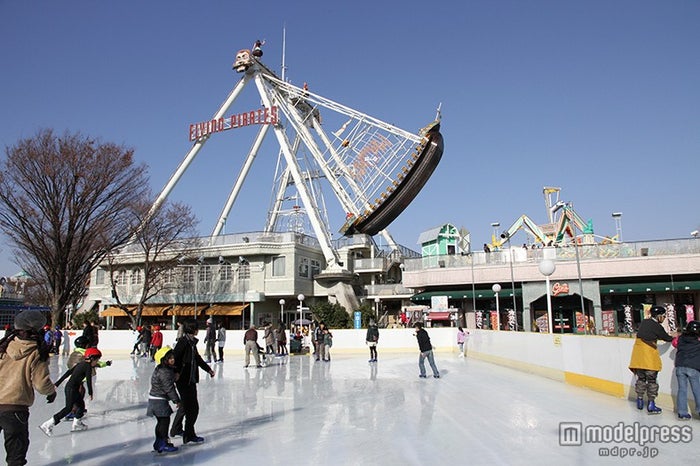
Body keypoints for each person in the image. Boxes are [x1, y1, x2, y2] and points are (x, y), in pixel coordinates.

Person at [0, 310, 57, 466]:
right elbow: (41, 383)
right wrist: (51, 392)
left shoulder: (3, 346)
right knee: (15, 455)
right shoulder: (37, 352)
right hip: (14, 408)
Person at [169, 320, 214, 444]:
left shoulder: (191, 342)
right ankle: (189, 435)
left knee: (185, 406)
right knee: (193, 408)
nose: (199, 330)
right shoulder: (183, 342)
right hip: (184, 379)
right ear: (193, 330)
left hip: (190, 379)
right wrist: (176, 372)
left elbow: (197, 359)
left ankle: (176, 429)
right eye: (197, 328)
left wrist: (208, 369)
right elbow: (175, 357)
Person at [41, 347, 102, 435]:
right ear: (92, 358)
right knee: (68, 408)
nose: (97, 362)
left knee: (81, 405)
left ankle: (77, 423)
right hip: (72, 389)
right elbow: (88, 380)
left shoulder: (81, 364)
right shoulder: (88, 366)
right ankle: (49, 424)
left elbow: (67, 373)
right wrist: (90, 393)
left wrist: (57, 383)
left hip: (72, 388)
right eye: (97, 359)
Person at [628, 306, 674, 413]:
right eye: (663, 316)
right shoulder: (657, 326)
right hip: (649, 359)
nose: (663, 318)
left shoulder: (644, 322)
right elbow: (667, 338)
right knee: (652, 381)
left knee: (641, 379)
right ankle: (651, 404)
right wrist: (674, 338)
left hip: (638, 358)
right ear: (658, 316)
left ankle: (639, 400)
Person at [147, 346, 180, 453]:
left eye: (173, 357)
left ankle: (159, 442)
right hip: (158, 400)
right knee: (164, 422)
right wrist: (176, 400)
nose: (173, 360)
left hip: (155, 399)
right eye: (170, 358)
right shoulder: (164, 372)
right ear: (164, 360)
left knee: (161, 422)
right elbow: (168, 388)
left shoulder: (163, 369)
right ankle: (163, 443)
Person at [672, 321, 700, 420]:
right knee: (697, 390)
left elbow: (674, 343)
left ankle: (682, 412)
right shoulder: (698, 340)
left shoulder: (680, 338)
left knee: (682, 389)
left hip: (680, 366)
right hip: (693, 367)